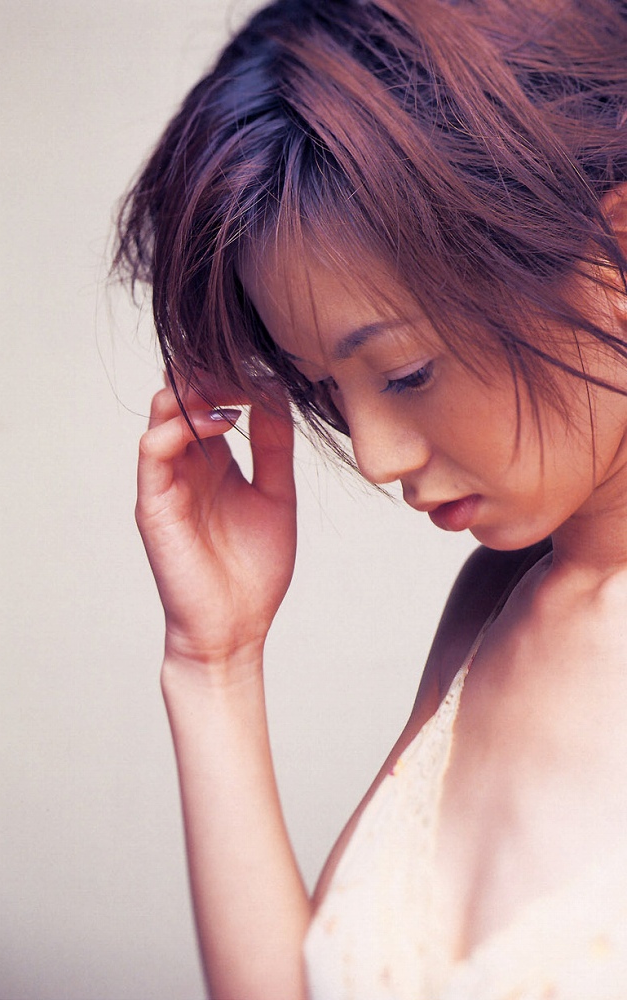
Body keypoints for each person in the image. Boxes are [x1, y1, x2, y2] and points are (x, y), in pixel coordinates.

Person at [112, 0, 627, 996]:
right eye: (327, 391)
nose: (376, 456)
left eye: (403, 371)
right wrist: (214, 663)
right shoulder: (496, 602)